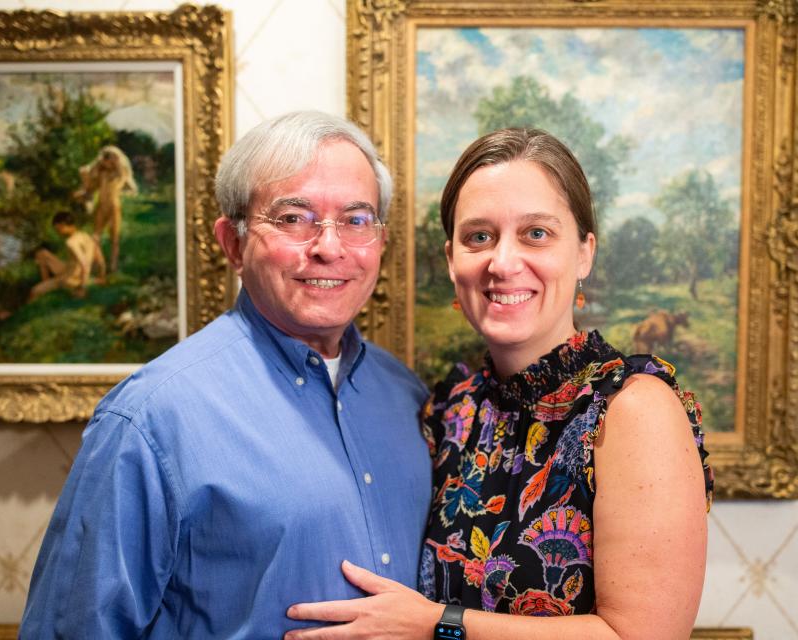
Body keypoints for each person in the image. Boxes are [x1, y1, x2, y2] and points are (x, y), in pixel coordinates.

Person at [285, 128, 714, 639]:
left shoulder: (633, 408)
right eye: (479, 237)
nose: (503, 262)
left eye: (536, 233)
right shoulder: (451, 406)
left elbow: (643, 636)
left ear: (584, 253)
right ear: (451, 260)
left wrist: (437, 626)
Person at [19, 111, 432, 638]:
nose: (330, 248)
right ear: (232, 244)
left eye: (356, 220)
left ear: (379, 241)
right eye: (293, 218)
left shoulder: (406, 395)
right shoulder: (150, 419)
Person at [75, 144, 138, 273]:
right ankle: (97, 263)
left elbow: (131, 188)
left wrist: (121, 192)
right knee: (95, 235)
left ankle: (113, 265)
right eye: (103, 162)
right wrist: (85, 186)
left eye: (107, 161)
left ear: (113, 160)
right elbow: (90, 186)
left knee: (114, 238)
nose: (104, 164)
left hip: (114, 207)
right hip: (101, 206)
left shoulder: (120, 173)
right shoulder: (101, 173)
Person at [29, 211, 106, 301]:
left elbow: (85, 264)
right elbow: (100, 261)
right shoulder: (86, 236)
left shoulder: (71, 242)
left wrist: (82, 288)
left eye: (58, 230)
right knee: (41, 253)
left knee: (34, 291)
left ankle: (46, 289)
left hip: (70, 278)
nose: (58, 233)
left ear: (62, 225)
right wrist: (102, 276)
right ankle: (47, 286)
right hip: (69, 269)